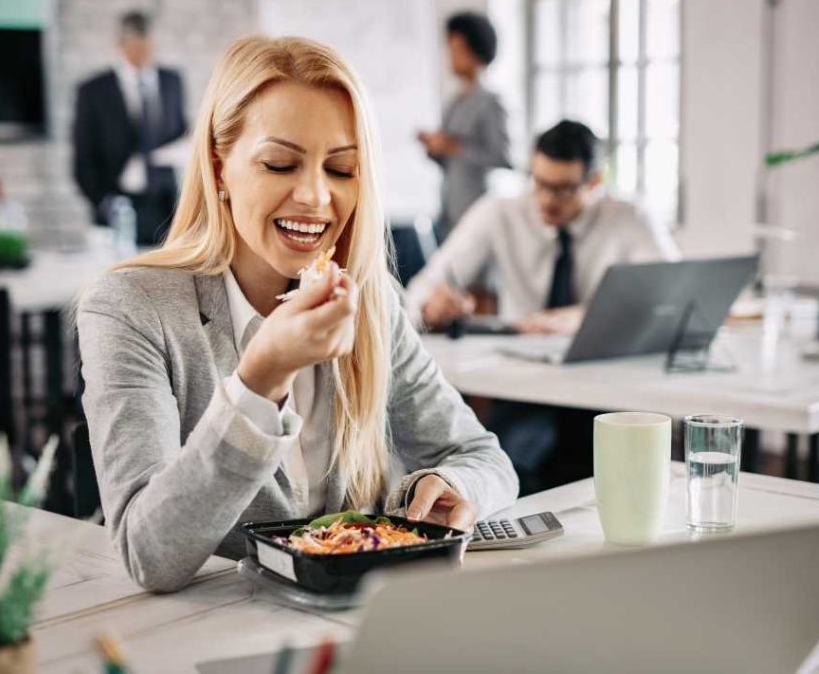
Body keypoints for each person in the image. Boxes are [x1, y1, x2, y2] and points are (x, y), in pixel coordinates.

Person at [76, 36, 518, 592]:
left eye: (341, 170)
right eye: (281, 164)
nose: (314, 196)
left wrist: (448, 483)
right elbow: (148, 554)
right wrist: (259, 381)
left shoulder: (369, 300)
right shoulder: (130, 309)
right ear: (219, 169)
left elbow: (483, 457)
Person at [407, 119, 679, 493]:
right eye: (540, 183)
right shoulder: (500, 211)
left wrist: (583, 318)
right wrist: (432, 306)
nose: (547, 200)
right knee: (512, 465)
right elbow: (421, 290)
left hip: (606, 392)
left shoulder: (629, 218)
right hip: (525, 387)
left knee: (614, 477)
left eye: (565, 189)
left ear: (594, 183)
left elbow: (673, 298)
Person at [73, 11, 187, 245]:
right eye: (135, 47)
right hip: (116, 204)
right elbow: (82, 156)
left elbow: (181, 131)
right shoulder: (94, 90)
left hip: (165, 206)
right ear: (120, 45)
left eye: (147, 46)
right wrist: (103, 202)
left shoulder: (171, 81)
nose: (142, 53)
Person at [417, 11, 510, 240]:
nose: (450, 56)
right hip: (449, 208)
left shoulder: (491, 102)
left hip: (477, 209)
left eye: (457, 50)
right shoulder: (454, 101)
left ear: (475, 52)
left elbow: (503, 158)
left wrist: (454, 146)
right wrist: (434, 148)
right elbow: (449, 162)